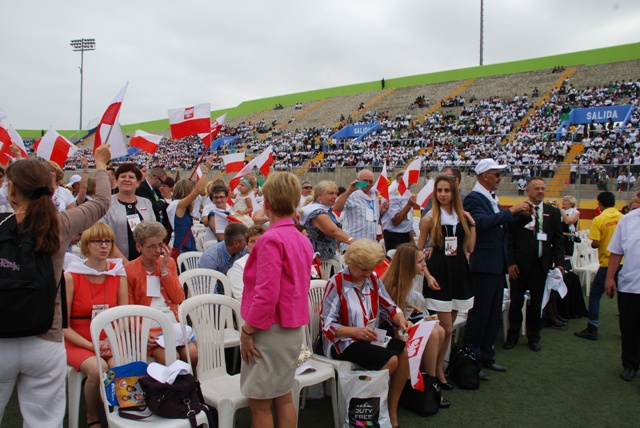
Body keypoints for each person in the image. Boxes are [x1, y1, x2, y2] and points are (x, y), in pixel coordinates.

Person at [0, 143, 112, 427]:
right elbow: (101, 202)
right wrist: (100, 165)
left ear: (11, 191)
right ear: (52, 191)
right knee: (44, 421)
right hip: (45, 338)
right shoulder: (61, 223)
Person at [239, 172, 314, 428]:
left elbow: (266, 294)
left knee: (260, 402)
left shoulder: (271, 239)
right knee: (283, 396)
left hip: (268, 328)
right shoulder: (302, 239)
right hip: (291, 327)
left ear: (267, 203)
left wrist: (247, 331)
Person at [320, 238, 412, 428]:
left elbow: (389, 307)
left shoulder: (372, 279)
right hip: (343, 341)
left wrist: (401, 320)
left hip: (369, 336)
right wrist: (356, 331)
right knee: (391, 360)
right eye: (363, 269)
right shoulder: (336, 283)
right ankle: (369, 408)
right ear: (351, 262)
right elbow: (327, 325)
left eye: (370, 269)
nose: (367, 274)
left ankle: (390, 410)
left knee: (404, 353)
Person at [462, 159, 532, 378]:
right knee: (480, 314)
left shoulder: (490, 198)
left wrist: (521, 217)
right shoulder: (474, 198)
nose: (500, 178)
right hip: (484, 265)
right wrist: (512, 211)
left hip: (495, 264)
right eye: (496, 174)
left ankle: (485, 355)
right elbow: (482, 224)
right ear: (485, 176)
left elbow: (505, 226)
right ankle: (472, 358)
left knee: (492, 315)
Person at [63, 223, 128, 427]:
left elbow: (123, 316)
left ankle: (122, 414)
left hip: (108, 336)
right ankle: (92, 416)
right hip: (78, 338)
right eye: (98, 241)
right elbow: (62, 326)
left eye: (108, 241)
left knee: (121, 365)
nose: (104, 246)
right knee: (98, 367)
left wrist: (110, 340)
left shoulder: (118, 273)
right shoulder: (71, 276)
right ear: (86, 245)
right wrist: (92, 346)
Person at [417, 175, 475, 380]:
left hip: (458, 271)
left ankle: (439, 367)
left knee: (448, 330)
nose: (443, 194)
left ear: (455, 192)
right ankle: (435, 371)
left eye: (447, 190)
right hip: (439, 272)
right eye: (439, 190)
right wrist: (428, 274)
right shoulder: (429, 218)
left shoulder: (462, 217)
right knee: (447, 327)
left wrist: (473, 224)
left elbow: (469, 247)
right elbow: (418, 252)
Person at [125, 220, 197, 366]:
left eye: (160, 245)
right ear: (139, 247)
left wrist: (164, 272)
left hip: (171, 322)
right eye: (152, 246)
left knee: (192, 353)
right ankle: (168, 388)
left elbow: (178, 298)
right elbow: (128, 310)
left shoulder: (168, 263)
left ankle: (189, 385)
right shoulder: (129, 270)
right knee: (171, 357)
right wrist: (141, 333)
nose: (158, 250)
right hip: (148, 327)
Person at [380, 243, 449, 396]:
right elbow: (389, 318)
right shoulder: (394, 285)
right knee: (433, 333)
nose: (424, 264)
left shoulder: (408, 279)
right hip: (391, 331)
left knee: (441, 330)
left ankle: (426, 377)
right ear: (407, 264)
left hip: (403, 323)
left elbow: (401, 305)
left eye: (423, 260)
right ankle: (430, 382)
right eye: (419, 262)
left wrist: (408, 305)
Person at [504, 177, 564, 352]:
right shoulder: (517, 210)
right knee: (515, 302)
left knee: (537, 303)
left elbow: (558, 240)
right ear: (528, 191)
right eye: (536, 188)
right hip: (519, 267)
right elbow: (509, 238)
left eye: (543, 188)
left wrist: (559, 263)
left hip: (541, 265)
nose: (540, 191)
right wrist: (510, 262)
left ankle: (534, 337)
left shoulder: (552, 212)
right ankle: (513, 335)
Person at [575, 192, 623, 341]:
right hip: (624, 263)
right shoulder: (622, 218)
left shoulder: (599, 219)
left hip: (607, 263)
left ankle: (592, 327)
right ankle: (627, 329)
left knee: (595, 295)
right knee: (625, 297)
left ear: (600, 204)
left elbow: (595, 243)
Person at [605, 203, 640, 382]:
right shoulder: (627, 220)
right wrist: (610, 278)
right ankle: (630, 364)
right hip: (631, 284)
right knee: (629, 327)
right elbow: (616, 252)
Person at [101, 163, 155, 262]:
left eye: (131, 177)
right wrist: (128, 265)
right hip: (115, 263)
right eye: (122, 176)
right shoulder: (106, 204)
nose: (127, 179)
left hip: (145, 262)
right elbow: (103, 237)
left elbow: (154, 233)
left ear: (138, 183)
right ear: (117, 181)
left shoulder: (146, 203)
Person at [167, 160, 212, 256]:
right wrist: (206, 169)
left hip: (188, 242)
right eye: (191, 190)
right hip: (182, 245)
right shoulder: (178, 205)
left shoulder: (181, 206)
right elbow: (198, 190)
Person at [301, 180, 353, 261]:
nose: (335, 196)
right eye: (331, 193)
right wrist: (353, 241)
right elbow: (333, 231)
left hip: (325, 257)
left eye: (336, 193)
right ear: (319, 195)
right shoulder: (317, 212)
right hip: (318, 260)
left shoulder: (321, 208)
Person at [333, 169, 387, 244]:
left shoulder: (374, 195)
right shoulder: (352, 194)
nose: (368, 184)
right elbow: (336, 208)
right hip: (353, 243)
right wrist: (349, 191)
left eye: (370, 181)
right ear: (358, 181)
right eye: (364, 181)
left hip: (370, 243)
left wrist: (382, 212)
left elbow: (372, 218)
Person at [228, 224, 266, 302]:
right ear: (247, 246)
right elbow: (240, 296)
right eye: (252, 241)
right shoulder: (239, 265)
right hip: (252, 308)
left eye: (260, 241)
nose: (256, 245)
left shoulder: (274, 261)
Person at [381, 173, 417, 251]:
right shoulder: (394, 192)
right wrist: (409, 205)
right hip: (395, 236)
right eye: (410, 182)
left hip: (405, 233)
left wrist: (410, 236)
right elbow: (395, 220)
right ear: (402, 179)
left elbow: (408, 218)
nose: (412, 184)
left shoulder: (405, 190)